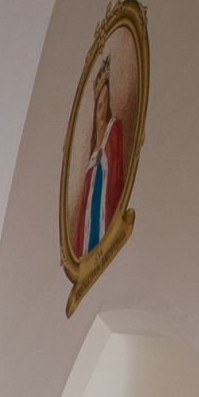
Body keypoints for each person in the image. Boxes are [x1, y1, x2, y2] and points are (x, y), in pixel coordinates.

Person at [70, 57, 131, 262]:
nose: (103, 109)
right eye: (100, 105)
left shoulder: (114, 130)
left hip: (108, 210)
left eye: (106, 101)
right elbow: (85, 205)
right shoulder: (91, 154)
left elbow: (116, 173)